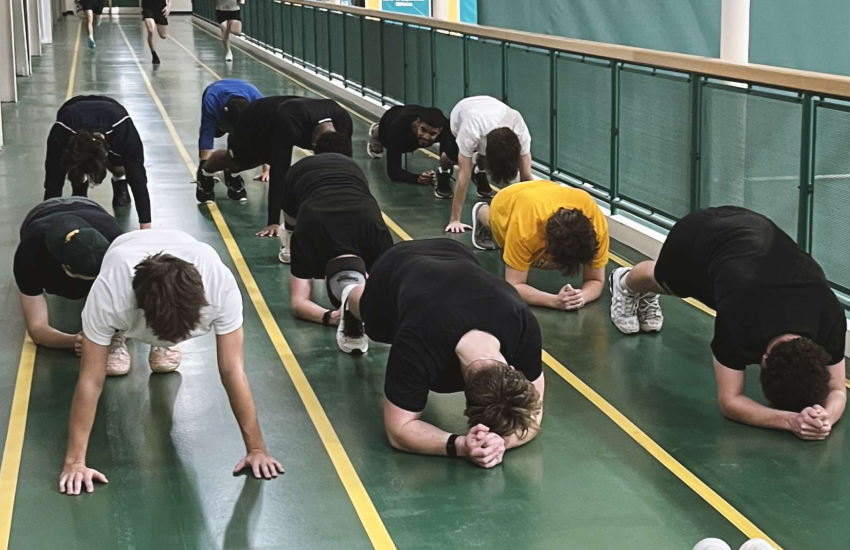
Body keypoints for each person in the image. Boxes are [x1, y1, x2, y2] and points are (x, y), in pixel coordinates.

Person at [58, 229, 283, 495]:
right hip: (123, 273)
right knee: (109, 351)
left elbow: (232, 371)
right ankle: (117, 335)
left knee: (164, 358)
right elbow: (91, 379)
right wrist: (74, 463)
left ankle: (161, 343)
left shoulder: (220, 286)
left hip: (177, 275)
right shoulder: (110, 291)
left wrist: (256, 449)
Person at [609, 206, 847, 439]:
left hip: (752, 240)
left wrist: (823, 418)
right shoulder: (739, 317)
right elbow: (730, 402)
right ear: (763, 360)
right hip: (698, 236)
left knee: (719, 283)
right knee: (666, 283)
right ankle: (624, 282)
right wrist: (791, 422)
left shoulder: (829, 315)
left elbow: (837, 390)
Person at [331, 239, 545, 468]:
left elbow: (533, 414)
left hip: (456, 252)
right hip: (396, 265)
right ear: (460, 387)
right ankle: (350, 295)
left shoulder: (522, 323)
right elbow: (398, 430)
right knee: (370, 318)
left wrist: (498, 443)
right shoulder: (418, 340)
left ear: (513, 370)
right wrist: (461, 446)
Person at [201, 96, 353, 238]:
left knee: (262, 158)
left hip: (285, 117)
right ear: (312, 145)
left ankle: (230, 175)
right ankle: (205, 171)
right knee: (241, 161)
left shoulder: (343, 121)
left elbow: (344, 167)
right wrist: (273, 222)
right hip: (255, 119)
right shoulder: (291, 123)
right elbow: (280, 172)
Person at [282, 135, 394, 325]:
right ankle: (287, 238)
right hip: (301, 177)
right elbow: (297, 304)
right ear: (368, 276)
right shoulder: (377, 235)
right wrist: (330, 316)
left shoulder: (376, 231)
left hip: (340, 182)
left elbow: (299, 302)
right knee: (291, 224)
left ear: (325, 279)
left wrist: (330, 317)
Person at [470, 181, 609, 311]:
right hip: (508, 199)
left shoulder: (597, 230)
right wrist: (554, 301)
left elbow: (595, 279)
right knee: (494, 225)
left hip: (546, 193)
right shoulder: (525, 229)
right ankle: (481, 212)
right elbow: (514, 284)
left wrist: (580, 297)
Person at [14, 198, 123, 355]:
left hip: (91, 210)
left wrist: (117, 333)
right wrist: (73, 341)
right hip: (41, 213)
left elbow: (130, 314)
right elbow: (37, 328)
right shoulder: (30, 253)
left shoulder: (116, 244)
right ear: (65, 267)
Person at [44, 95, 152, 229]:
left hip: (112, 112)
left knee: (121, 165)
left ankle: (119, 179)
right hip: (72, 111)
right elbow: (53, 177)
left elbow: (138, 179)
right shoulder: (63, 130)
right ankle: (79, 189)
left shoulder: (123, 131)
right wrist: (47, 220)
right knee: (70, 170)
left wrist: (145, 227)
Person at [440, 96, 534, 233]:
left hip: (490, 109)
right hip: (462, 114)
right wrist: (455, 220)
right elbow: (463, 176)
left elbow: (527, 177)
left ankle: (479, 171)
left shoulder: (519, 129)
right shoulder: (470, 129)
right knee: (450, 159)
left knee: (482, 160)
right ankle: (443, 171)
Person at [196, 79, 266, 203]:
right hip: (219, 108)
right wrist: (204, 167)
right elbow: (207, 134)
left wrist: (266, 169)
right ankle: (205, 175)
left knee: (246, 149)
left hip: (244, 114)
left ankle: (230, 173)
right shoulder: (211, 100)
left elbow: (265, 137)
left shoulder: (259, 103)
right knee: (213, 133)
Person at [366, 105, 448, 187]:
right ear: (418, 122)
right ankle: (376, 131)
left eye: (432, 133)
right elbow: (393, 173)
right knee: (393, 144)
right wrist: (417, 178)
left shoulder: (446, 129)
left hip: (410, 115)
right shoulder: (397, 129)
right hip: (389, 123)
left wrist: (441, 176)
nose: (426, 136)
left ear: (440, 130)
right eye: (423, 130)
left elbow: (448, 159)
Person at [142, 0, 171, 65]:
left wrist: (169, 6)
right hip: (147, 6)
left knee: (163, 35)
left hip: (160, 6)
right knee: (150, 30)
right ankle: (154, 54)